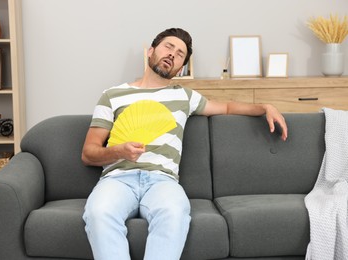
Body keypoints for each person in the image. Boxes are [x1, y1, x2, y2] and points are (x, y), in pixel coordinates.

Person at [81, 28, 288, 260]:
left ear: (181, 67)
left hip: (162, 180)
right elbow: (89, 153)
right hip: (118, 178)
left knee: (175, 212)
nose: (172, 54)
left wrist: (264, 107)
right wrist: (118, 151)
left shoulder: (184, 96)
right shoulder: (112, 95)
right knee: (98, 213)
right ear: (151, 51)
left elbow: (228, 107)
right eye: (168, 47)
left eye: (180, 54)